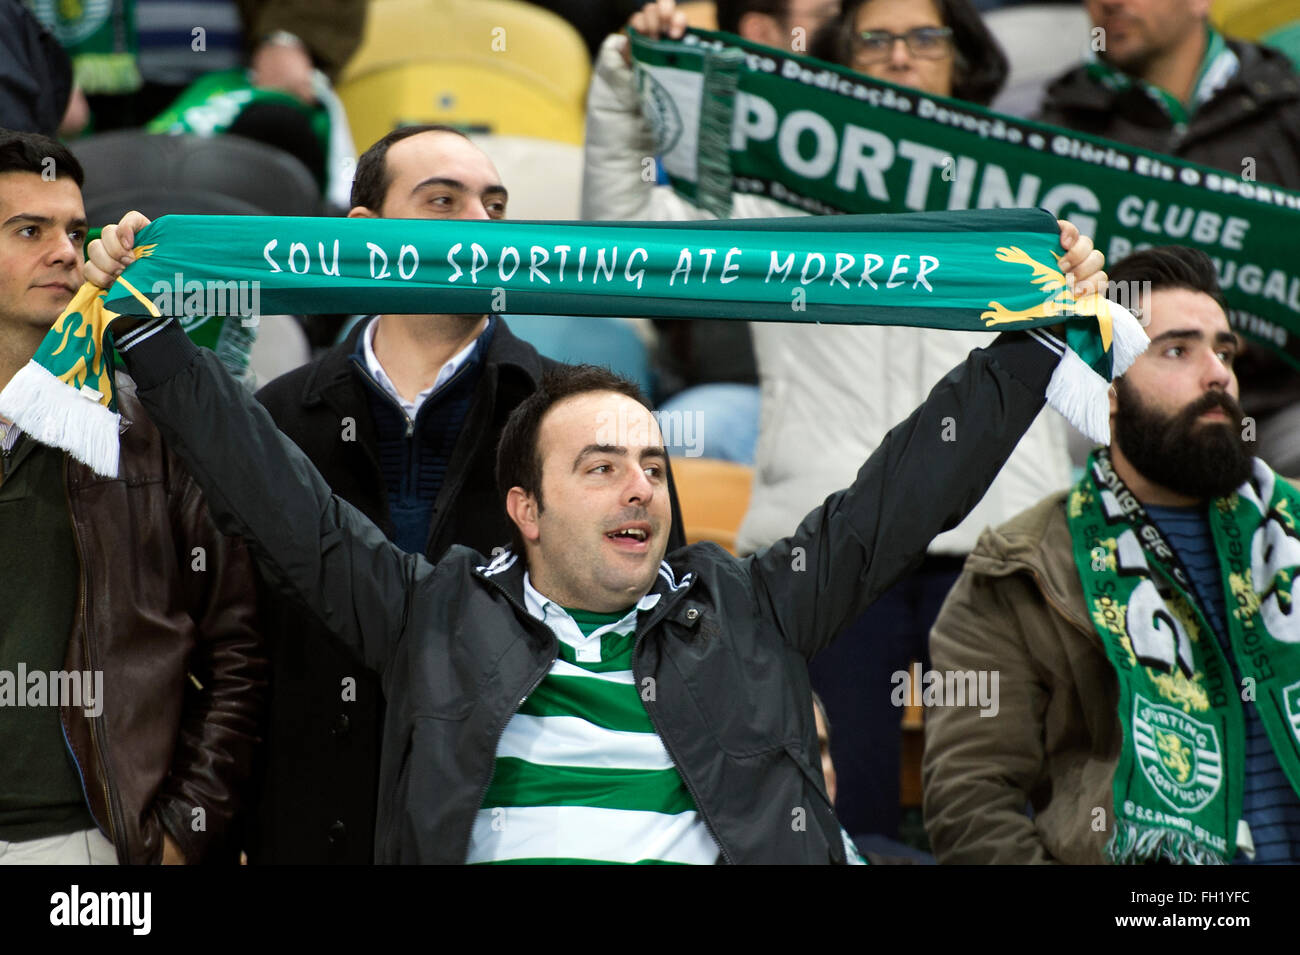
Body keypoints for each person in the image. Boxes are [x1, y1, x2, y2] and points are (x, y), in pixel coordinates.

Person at [86, 202, 1105, 863]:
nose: (640, 488)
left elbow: (906, 493)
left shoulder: (746, 605)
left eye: (654, 465)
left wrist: (1033, 340)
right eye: (602, 465)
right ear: (522, 509)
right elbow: (278, 500)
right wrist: (144, 332)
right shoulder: (430, 612)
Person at [589, 0, 1071, 842]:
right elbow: (629, 243)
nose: (899, 57)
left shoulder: (1033, 206)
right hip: (833, 554)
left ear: (966, 57)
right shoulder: (772, 203)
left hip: (1004, 548)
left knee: (1015, 818)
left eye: (924, 37)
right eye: (874, 39)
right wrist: (629, 82)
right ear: (838, 61)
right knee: (841, 816)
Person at [247, 124, 686, 863]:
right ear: (366, 233)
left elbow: (665, 628)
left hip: (518, 832)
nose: (479, 226)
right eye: (444, 201)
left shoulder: (581, 418)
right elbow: (234, 644)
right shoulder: (279, 416)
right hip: (312, 828)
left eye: (495, 206)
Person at [924, 245, 1300, 864]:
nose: (1218, 375)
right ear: (1110, 387)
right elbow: (970, 807)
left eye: (1225, 351)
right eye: (1178, 350)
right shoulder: (1021, 571)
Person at [0, 130, 264, 865]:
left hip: (93, 843)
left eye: (75, 232)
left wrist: (185, 834)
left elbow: (238, 651)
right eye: (30, 230)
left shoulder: (152, 431)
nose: (65, 251)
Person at [1038, 0, 1300, 474]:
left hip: (1282, 405)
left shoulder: (1287, 111)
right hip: (1127, 406)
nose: (1109, 4)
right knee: (1048, 451)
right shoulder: (1053, 133)